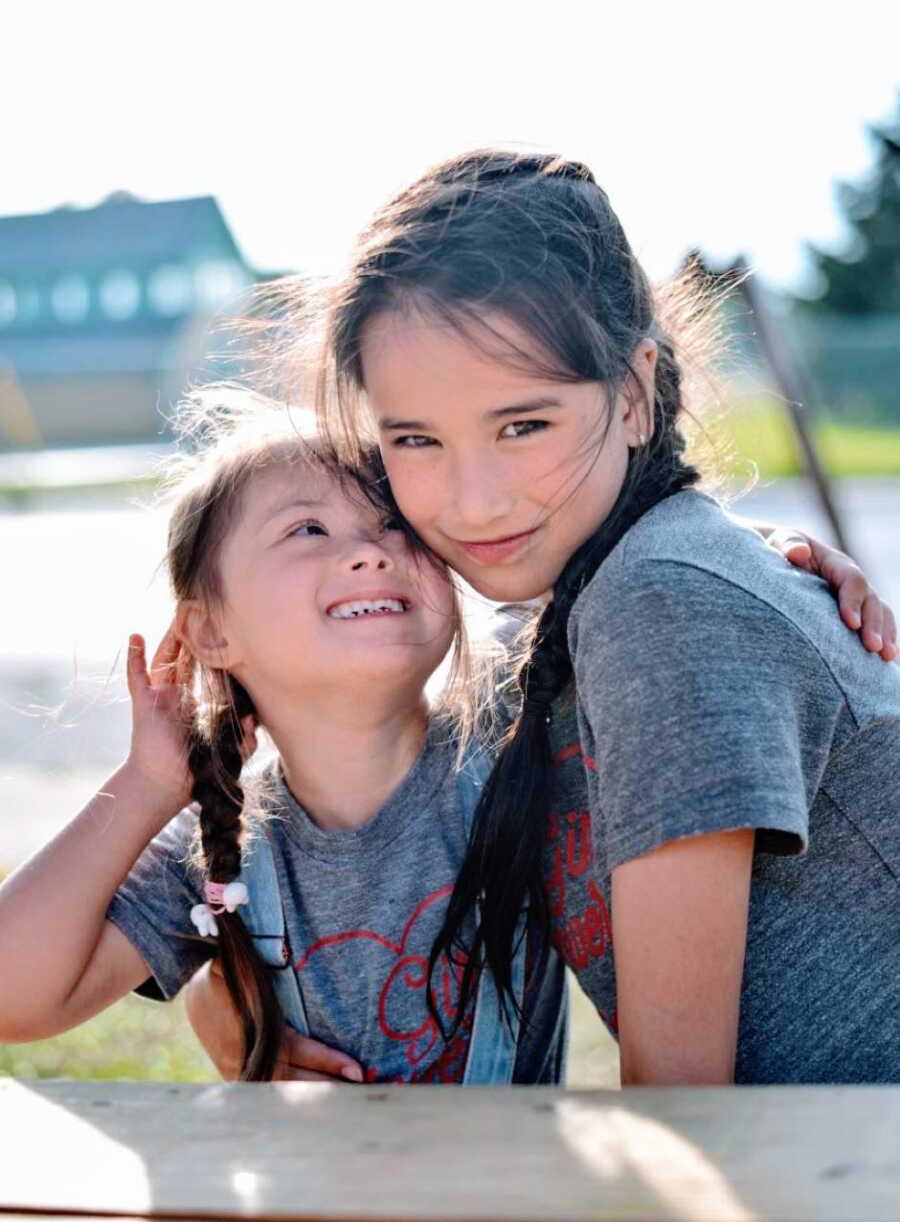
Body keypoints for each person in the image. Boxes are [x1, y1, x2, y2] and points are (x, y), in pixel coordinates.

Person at [309, 147, 900, 1087]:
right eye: (416, 438)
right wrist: (245, 1014)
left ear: (632, 393)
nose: (473, 500)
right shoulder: (585, 618)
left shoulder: (661, 604)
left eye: (523, 425)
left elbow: (679, 1098)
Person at [0, 391, 569, 1083]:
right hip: (311, 1192)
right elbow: (14, 995)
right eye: (307, 529)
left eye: (395, 522)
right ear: (211, 631)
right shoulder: (225, 839)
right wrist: (146, 785)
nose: (368, 550)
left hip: (510, 1189)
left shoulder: (519, 723)